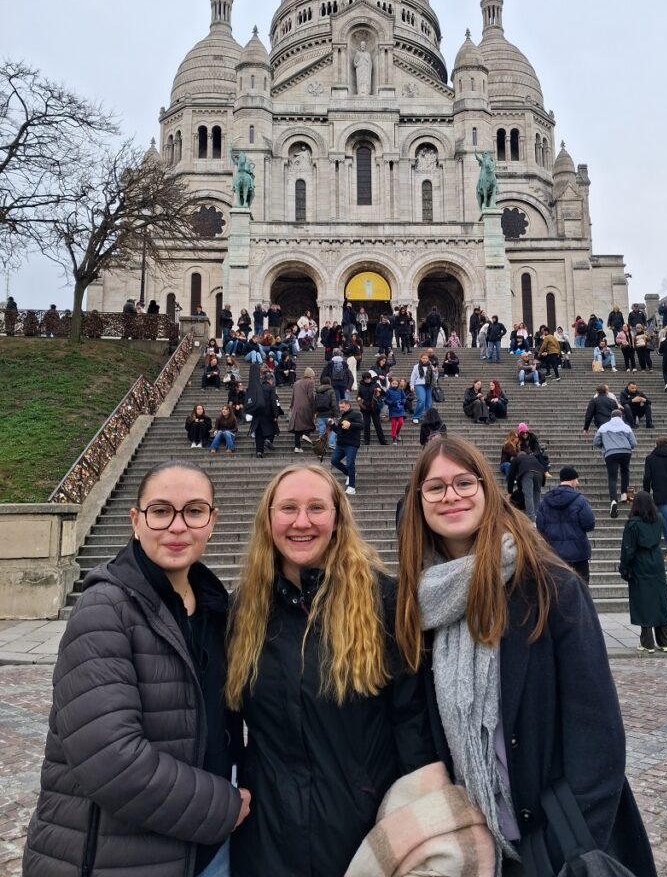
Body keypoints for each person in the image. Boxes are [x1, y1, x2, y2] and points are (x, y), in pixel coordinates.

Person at [395, 436, 657, 877]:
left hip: (556, 846)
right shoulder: (420, 603)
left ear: (487, 489)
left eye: (464, 482)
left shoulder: (551, 586)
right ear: (419, 501)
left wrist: (561, 849)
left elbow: (597, 732)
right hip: (476, 845)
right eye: (435, 487)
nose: (451, 496)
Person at [23, 462, 250, 877]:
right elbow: (110, 759)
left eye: (195, 511)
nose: (178, 527)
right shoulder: (104, 608)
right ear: (135, 520)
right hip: (118, 858)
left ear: (213, 521)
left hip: (205, 853)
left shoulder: (217, 608)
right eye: (161, 511)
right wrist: (223, 806)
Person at [226, 465, 435, 877]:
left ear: (338, 518)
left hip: (363, 836)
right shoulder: (242, 610)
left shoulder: (384, 602)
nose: (301, 522)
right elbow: (226, 723)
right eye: (288, 508)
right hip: (267, 838)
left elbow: (412, 722)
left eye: (316, 508)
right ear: (268, 519)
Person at [619, 491, 667, 654]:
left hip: (640, 562)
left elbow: (628, 549)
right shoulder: (659, 519)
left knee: (643, 601)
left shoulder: (633, 524)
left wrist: (624, 568)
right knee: (660, 599)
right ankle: (664, 641)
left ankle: (647, 642)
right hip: (656, 559)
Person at [536, 467, 595, 583]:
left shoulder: (546, 501)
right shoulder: (580, 500)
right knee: (581, 587)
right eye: (576, 480)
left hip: (555, 553)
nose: (577, 483)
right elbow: (589, 524)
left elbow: (540, 526)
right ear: (572, 480)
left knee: (558, 588)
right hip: (579, 553)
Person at [593, 409, 637, 518]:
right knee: (625, 471)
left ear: (611, 417)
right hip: (625, 452)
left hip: (610, 453)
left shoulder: (603, 427)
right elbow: (633, 443)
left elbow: (596, 442)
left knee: (612, 477)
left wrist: (605, 446)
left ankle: (613, 500)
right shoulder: (626, 427)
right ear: (621, 416)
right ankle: (625, 495)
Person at [330, 398, 364, 495]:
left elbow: (362, 425)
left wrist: (351, 424)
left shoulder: (356, 414)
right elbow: (339, 431)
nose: (341, 409)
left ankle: (352, 487)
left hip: (351, 444)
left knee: (350, 464)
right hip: (341, 444)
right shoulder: (342, 416)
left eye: (343, 407)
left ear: (348, 405)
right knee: (334, 461)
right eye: (340, 407)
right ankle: (349, 474)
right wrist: (332, 425)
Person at [246, 368, 280, 459]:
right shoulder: (271, 388)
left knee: (259, 433)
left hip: (257, 413)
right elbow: (273, 401)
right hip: (268, 414)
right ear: (270, 380)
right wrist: (276, 414)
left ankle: (259, 452)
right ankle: (268, 440)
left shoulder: (258, 387)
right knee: (273, 428)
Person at [506, 450, 547, 522]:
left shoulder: (516, 459)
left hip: (527, 473)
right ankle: (536, 517)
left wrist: (510, 491)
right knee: (536, 495)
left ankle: (531, 519)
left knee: (528, 495)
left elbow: (511, 476)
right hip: (540, 473)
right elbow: (543, 468)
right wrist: (543, 482)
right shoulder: (533, 458)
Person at [287, 366, 316, 453]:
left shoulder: (296, 383)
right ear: (310, 375)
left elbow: (293, 396)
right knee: (308, 422)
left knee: (297, 427)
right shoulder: (310, 382)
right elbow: (310, 395)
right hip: (306, 406)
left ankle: (297, 447)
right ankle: (306, 434)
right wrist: (313, 406)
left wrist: (292, 406)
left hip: (296, 406)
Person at [358, 369, 387, 445]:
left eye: (368, 378)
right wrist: (359, 398)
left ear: (371, 378)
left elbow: (384, 393)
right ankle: (366, 441)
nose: (367, 380)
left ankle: (383, 441)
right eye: (365, 379)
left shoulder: (376, 384)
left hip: (375, 407)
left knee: (377, 424)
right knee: (366, 424)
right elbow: (359, 395)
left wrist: (379, 390)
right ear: (363, 379)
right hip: (365, 408)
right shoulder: (361, 386)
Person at [410, 351, 438, 424]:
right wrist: (412, 385)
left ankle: (428, 417)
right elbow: (413, 376)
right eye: (423, 358)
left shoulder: (431, 366)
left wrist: (435, 372)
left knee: (429, 403)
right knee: (421, 401)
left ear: (428, 359)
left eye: (426, 358)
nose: (424, 359)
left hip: (429, 385)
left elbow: (435, 377)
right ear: (420, 358)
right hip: (419, 384)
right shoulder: (416, 366)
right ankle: (416, 416)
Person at [313, 376, 338, 452]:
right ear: (329, 382)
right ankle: (331, 443)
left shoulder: (318, 391)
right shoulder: (331, 390)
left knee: (322, 430)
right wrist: (336, 414)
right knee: (334, 429)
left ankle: (321, 445)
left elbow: (315, 403)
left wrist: (315, 413)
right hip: (329, 414)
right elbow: (334, 403)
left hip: (320, 414)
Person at [384, 376, 408, 444]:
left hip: (400, 409)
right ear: (391, 383)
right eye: (393, 383)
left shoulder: (400, 390)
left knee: (401, 422)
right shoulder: (388, 391)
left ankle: (397, 432)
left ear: (398, 384)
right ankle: (394, 437)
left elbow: (404, 398)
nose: (394, 385)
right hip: (392, 409)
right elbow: (386, 400)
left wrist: (402, 401)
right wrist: (392, 403)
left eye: (396, 384)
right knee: (393, 424)